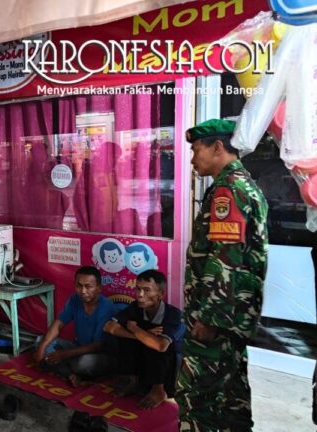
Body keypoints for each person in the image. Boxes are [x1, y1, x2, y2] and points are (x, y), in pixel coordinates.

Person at [177, 119, 268, 431]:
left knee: (195, 398)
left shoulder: (228, 190)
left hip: (217, 319)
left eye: (195, 150)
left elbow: (226, 260)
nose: (192, 158)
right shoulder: (244, 185)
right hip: (232, 316)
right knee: (230, 396)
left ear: (217, 147)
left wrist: (209, 319)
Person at [103, 270, 184, 409]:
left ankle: (159, 390)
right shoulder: (135, 307)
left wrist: (135, 329)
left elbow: (161, 346)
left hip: (170, 368)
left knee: (154, 340)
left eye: (147, 290)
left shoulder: (173, 314)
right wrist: (138, 334)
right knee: (126, 336)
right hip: (146, 363)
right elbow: (109, 327)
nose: (140, 295)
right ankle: (132, 380)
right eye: (138, 289)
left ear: (161, 294)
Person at [32, 266, 119, 386]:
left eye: (88, 286)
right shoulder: (75, 299)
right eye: (79, 286)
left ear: (99, 288)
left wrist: (65, 354)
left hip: (101, 354)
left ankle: (67, 370)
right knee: (40, 341)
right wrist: (42, 348)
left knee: (83, 363)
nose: (82, 291)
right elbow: (58, 324)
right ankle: (73, 374)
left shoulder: (106, 308)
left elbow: (97, 346)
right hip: (78, 347)